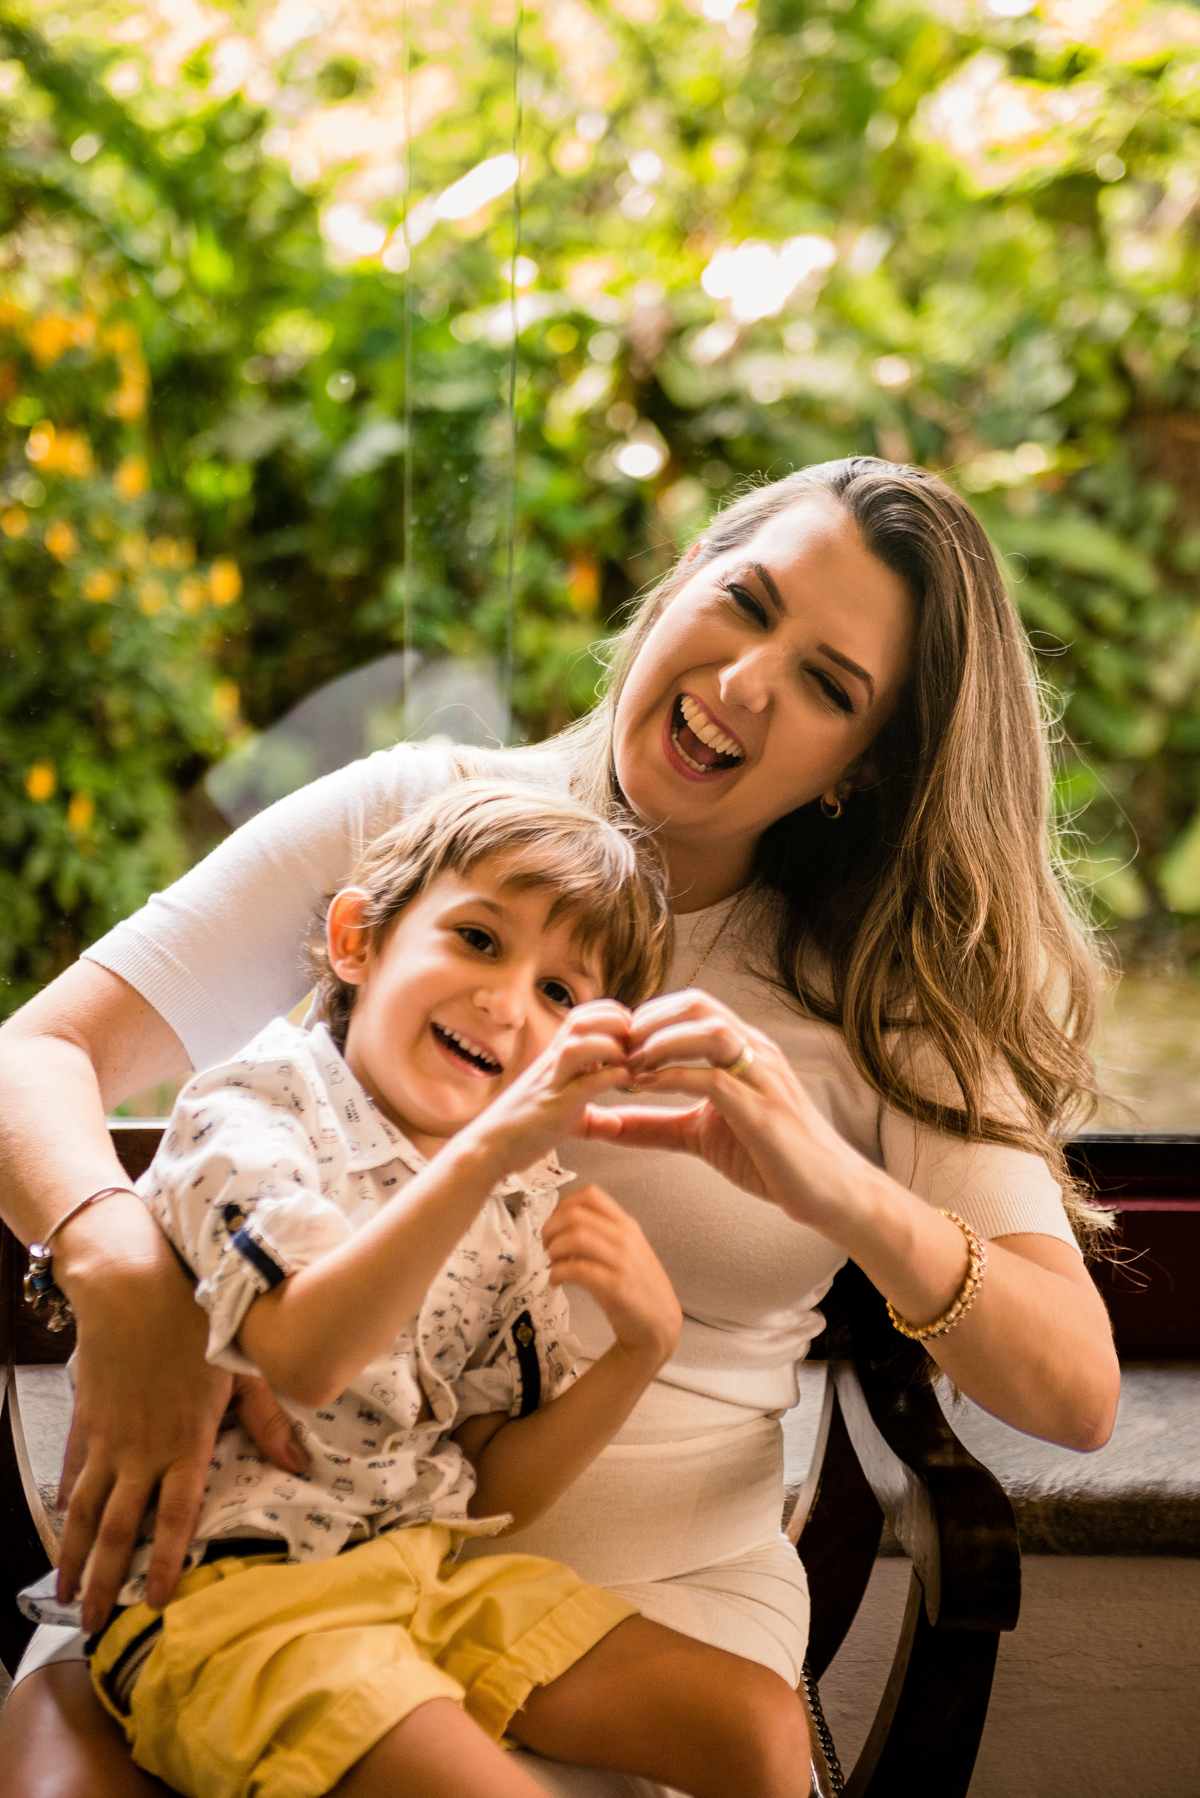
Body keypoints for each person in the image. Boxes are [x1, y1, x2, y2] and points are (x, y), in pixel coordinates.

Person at [0, 458, 1120, 1798]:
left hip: (645, 1609)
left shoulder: (886, 986)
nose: (751, 680)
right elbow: (39, 1050)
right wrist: (122, 1269)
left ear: (861, 769)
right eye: (744, 601)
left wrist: (827, 1180)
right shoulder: (417, 819)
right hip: (259, 1555)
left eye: (828, 685)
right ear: (679, 585)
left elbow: (1075, 1388)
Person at [20, 781, 815, 1798]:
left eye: (561, 993)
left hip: (423, 1572)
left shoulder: (516, 1196)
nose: (506, 1000)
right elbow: (306, 1351)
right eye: (479, 940)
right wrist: (487, 1149)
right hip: (229, 1602)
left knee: (757, 1729)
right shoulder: (257, 1110)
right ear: (358, 940)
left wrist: (635, 1354)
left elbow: (497, 1485)